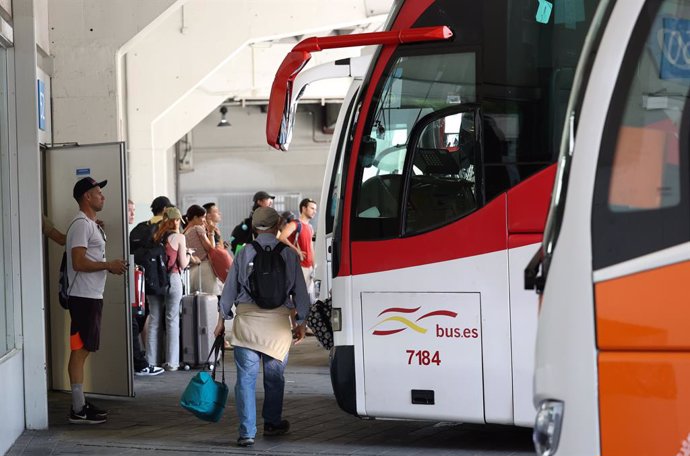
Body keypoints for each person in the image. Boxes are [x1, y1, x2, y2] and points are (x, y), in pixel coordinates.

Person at [214, 206, 310, 448]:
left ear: (255, 227)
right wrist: (301, 322)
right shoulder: (288, 255)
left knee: (245, 379)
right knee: (275, 377)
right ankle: (272, 422)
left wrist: (221, 319)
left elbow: (229, 291)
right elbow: (301, 292)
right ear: (278, 225)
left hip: (247, 323)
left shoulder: (244, 253)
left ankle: (247, 432)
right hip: (277, 324)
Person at [66, 177, 127, 424]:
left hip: (89, 296)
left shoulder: (88, 224)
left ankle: (79, 403)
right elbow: (78, 262)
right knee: (80, 350)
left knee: (84, 349)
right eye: (98, 193)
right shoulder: (81, 224)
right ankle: (78, 408)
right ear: (87, 197)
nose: (103, 197)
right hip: (83, 297)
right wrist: (108, 265)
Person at [130, 196, 172, 376]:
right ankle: (158, 360)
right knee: (161, 319)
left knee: (145, 317)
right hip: (157, 279)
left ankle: (147, 359)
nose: (132, 214)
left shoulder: (140, 227)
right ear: (165, 209)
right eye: (130, 210)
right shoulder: (165, 228)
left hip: (139, 278)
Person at [146, 207, 190, 371]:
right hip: (172, 278)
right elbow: (183, 263)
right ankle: (171, 362)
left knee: (154, 320)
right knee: (172, 320)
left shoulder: (155, 236)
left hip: (154, 280)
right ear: (177, 220)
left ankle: (151, 361)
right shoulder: (179, 237)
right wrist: (190, 255)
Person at [278, 198, 317, 302]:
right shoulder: (295, 224)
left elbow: (311, 248)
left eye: (315, 209)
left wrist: (314, 265)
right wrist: (297, 250)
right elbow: (281, 237)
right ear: (304, 209)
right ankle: (297, 317)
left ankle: (303, 317)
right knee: (299, 296)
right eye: (312, 208)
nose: (314, 211)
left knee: (308, 297)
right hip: (300, 266)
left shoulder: (310, 227)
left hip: (309, 267)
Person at [184, 204, 222, 296]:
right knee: (209, 301)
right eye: (203, 217)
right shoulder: (198, 228)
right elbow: (210, 249)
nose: (204, 220)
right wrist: (210, 232)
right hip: (204, 269)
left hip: (191, 271)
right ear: (195, 217)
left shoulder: (184, 232)